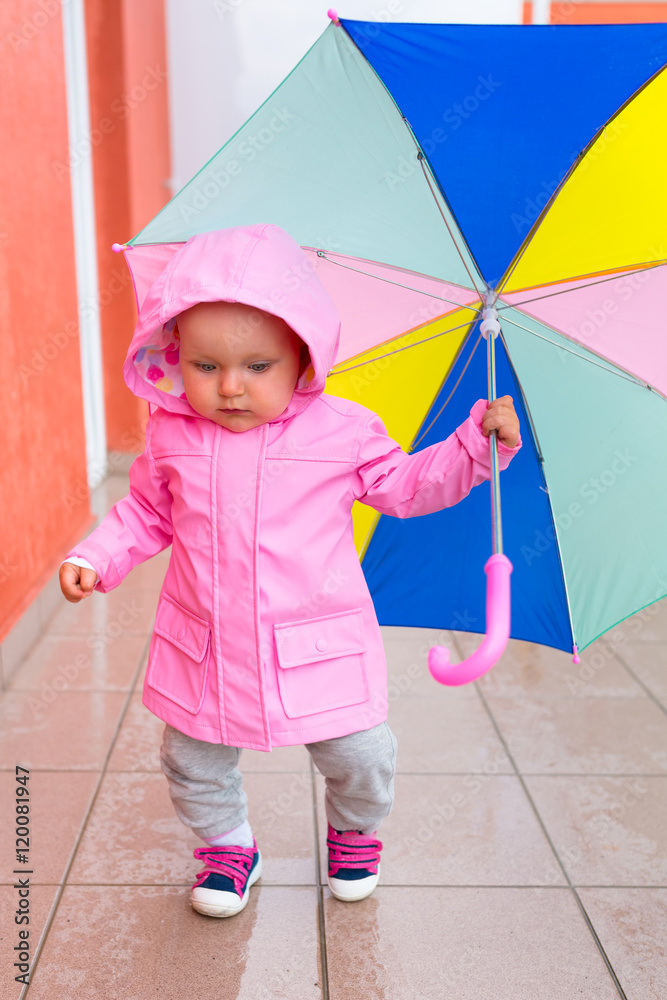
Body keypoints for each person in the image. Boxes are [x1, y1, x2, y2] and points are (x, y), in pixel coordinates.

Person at [60, 224, 521, 918]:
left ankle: (354, 831)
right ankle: (227, 847)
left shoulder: (341, 430)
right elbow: (145, 514)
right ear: (172, 356)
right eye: (207, 366)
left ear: (303, 360)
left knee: (360, 754)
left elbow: (404, 487)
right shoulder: (172, 435)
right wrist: (94, 556)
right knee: (190, 758)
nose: (231, 388)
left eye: (257, 366)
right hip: (208, 643)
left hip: (315, 644)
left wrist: (470, 445)